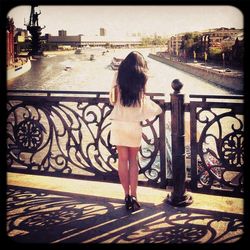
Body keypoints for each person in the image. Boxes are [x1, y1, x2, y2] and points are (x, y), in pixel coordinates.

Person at [109, 51, 162, 211]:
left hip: (118, 123)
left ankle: (125, 195)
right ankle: (134, 196)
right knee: (133, 161)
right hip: (133, 125)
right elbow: (144, 101)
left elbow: (112, 98)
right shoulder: (141, 77)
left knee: (122, 161)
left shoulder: (118, 75)